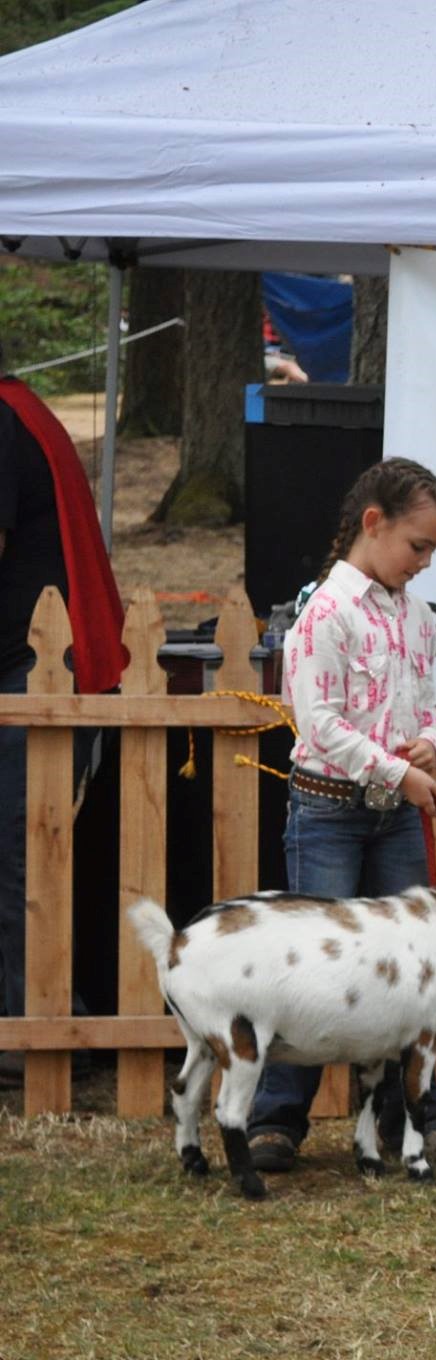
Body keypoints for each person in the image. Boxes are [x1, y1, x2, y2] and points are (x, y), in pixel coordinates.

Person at [243, 458, 436, 1168]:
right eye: (419, 546)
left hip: (393, 811)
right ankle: (278, 1119)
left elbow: (427, 707)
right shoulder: (325, 612)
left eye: (435, 550)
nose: (425, 562)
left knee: (413, 965)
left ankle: (414, 1118)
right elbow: (317, 726)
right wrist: (398, 770)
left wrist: (429, 746)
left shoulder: (416, 616)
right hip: (328, 812)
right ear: (372, 524)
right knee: (314, 965)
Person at [0, 342, 124, 1088]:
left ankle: (39, 1023)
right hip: (32, 663)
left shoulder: (4, 418)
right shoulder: (21, 409)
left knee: (21, 851)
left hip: (36, 669)